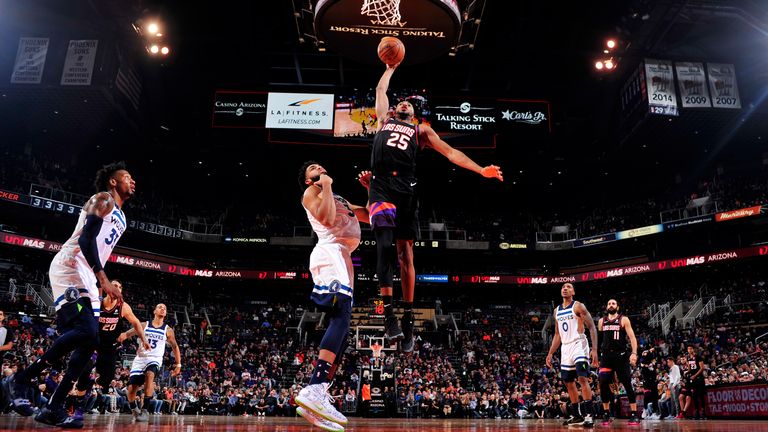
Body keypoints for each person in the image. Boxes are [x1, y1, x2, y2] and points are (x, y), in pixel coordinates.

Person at [362, 63, 503, 353]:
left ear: (414, 115)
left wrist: (480, 170)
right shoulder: (381, 121)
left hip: (407, 190)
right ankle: (389, 316)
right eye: (400, 102)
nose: (403, 104)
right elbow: (379, 89)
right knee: (384, 247)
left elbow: (451, 153)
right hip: (381, 187)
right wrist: (390, 68)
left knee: (405, 255)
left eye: (408, 105)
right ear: (392, 110)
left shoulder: (421, 131)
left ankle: (409, 318)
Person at [7, 162, 132, 426]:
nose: (132, 182)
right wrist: (103, 278)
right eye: (127, 177)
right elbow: (86, 239)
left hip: (87, 274)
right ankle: (20, 379)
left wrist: (97, 279)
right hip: (71, 265)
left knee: (90, 343)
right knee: (87, 331)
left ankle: (54, 406)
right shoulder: (103, 199)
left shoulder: (121, 215)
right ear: (112, 181)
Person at [295, 161, 369, 432]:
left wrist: (371, 189)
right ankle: (315, 387)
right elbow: (325, 219)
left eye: (321, 165)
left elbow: (371, 216)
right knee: (340, 316)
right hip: (329, 251)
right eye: (313, 168)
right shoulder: (312, 193)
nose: (320, 167)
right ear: (308, 179)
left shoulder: (338, 197)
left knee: (344, 324)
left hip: (344, 256)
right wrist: (325, 184)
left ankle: (316, 398)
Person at [66, 280, 150, 427]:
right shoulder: (97, 302)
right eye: (114, 285)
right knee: (84, 372)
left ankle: (93, 383)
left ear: (121, 291)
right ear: (107, 288)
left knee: (107, 379)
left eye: (119, 286)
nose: (116, 288)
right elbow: (79, 309)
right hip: (93, 342)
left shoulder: (123, 306)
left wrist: (143, 339)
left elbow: (136, 323)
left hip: (109, 346)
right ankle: (79, 408)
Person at [545, 283, 598, 427]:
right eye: (563, 287)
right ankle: (577, 415)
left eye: (568, 287)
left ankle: (589, 415)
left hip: (578, 343)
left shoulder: (578, 306)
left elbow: (592, 327)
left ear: (573, 291)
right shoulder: (556, 311)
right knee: (568, 382)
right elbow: (557, 334)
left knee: (582, 378)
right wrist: (550, 353)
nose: (565, 288)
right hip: (565, 347)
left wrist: (594, 350)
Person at [118, 303, 182, 421]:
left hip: (155, 359)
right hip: (140, 359)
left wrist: (178, 365)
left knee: (150, 374)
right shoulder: (144, 325)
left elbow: (175, 346)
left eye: (165, 308)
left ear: (166, 313)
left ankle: (145, 409)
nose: (162, 309)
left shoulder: (168, 330)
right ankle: (134, 408)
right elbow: (127, 334)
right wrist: (121, 337)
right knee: (131, 389)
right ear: (154, 311)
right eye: (160, 307)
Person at [597, 299, 640, 426]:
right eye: (609, 303)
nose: (611, 305)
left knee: (626, 382)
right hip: (606, 357)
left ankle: (634, 414)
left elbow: (632, 337)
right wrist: (594, 353)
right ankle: (606, 414)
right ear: (606, 307)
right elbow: (599, 341)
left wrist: (634, 353)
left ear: (618, 307)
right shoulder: (601, 321)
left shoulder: (624, 319)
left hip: (620, 356)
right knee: (603, 383)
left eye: (613, 303)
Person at [683, 345, 706, 419]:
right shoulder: (688, 358)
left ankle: (703, 412)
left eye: (690, 348)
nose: (689, 350)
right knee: (694, 396)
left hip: (699, 378)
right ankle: (697, 412)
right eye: (688, 349)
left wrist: (695, 375)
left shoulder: (698, 357)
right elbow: (690, 369)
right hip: (693, 379)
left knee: (701, 395)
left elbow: (702, 368)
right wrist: (686, 372)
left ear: (693, 349)